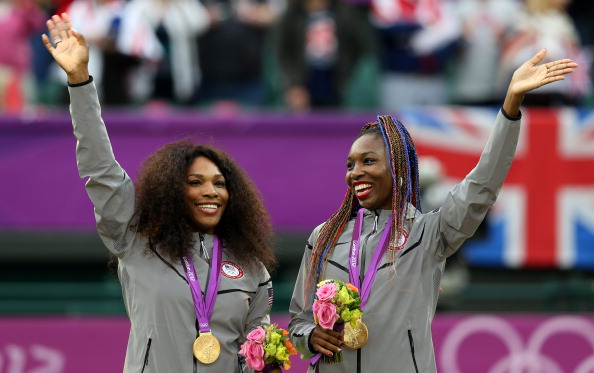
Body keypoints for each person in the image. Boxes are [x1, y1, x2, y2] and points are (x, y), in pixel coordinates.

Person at [288, 49, 578, 372]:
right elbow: (298, 320)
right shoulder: (324, 237)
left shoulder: (428, 234)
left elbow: (481, 186)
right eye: (350, 164)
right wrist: (310, 335)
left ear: (397, 167)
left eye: (368, 161)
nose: (355, 172)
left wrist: (510, 105)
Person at [42, 13, 280, 373]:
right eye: (195, 182)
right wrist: (80, 82)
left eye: (219, 183)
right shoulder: (137, 242)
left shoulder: (252, 268)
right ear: (170, 191)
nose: (210, 191)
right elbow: (101, 171)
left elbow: (254, 354)